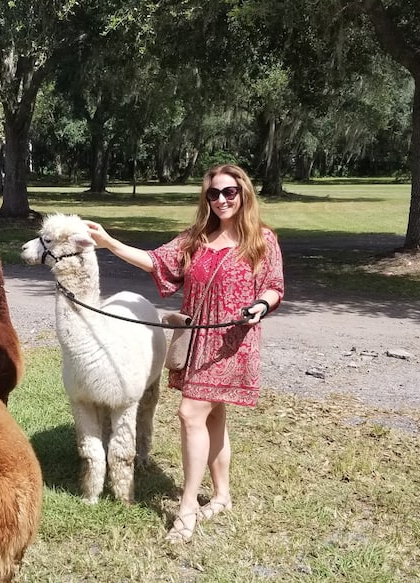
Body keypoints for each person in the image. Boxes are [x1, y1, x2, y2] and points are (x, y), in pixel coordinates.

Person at [85, 164, 285, 544]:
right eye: (214, 193)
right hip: (197, 341)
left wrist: (261, 304)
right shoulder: (196, 239)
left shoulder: (261, 239)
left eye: (229, 192)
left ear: (244, 194)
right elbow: (155, 262)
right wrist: (110, 243)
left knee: (190, 412)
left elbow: (274, 285)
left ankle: (187, 507)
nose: (222, 200)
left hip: (232, 343)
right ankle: (222, 496)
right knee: (213, 417)